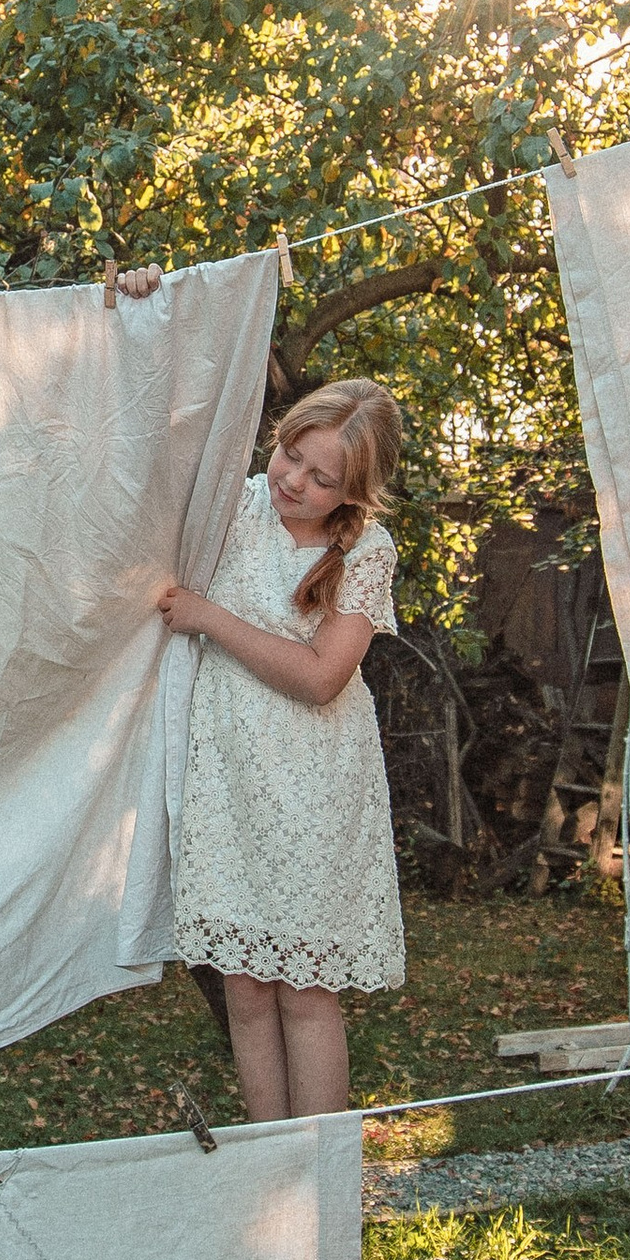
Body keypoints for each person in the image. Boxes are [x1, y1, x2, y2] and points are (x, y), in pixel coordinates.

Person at [156, 376, 408, 1120]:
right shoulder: (235, 507)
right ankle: (269, 1172)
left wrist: (210, 618)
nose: (292, 481)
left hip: (314, 785)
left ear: (352, 491)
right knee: (244, 986)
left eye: (320, 477)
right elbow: (156, 435)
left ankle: (318, 1171)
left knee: (303, 987)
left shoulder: (365, 550)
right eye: (290, 456)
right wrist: (145, 305)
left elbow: (322, 677)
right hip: (229, 775)